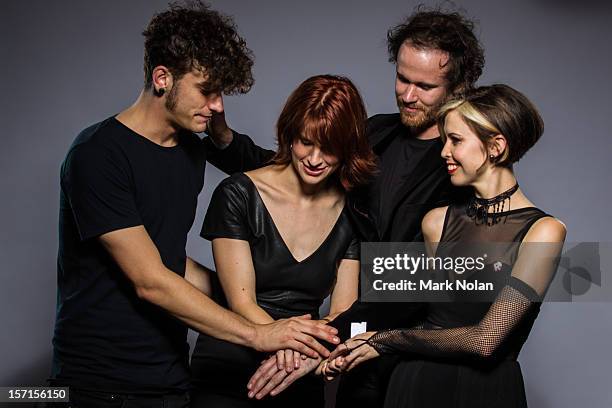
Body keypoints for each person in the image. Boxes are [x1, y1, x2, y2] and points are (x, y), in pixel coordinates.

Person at [49, 3, 339, 407]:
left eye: (221, 93)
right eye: (207, 90)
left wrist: (257, 298)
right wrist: (259, 332)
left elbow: (279, 172)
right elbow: (150, 280)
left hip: (170, 374)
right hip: (97, 381)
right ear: (163, 78)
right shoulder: (98, 154)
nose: (218, 104)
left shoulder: (188, 149)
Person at [230, 7, 486, 406]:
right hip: (351, 342)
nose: (407, 94)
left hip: (409, 346)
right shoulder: (375, 133)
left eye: (424, 86)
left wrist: (313, 346)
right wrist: (225, 142)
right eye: (402, 78)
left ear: (457, 87)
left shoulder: (461, 166)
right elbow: (297, 168)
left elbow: (421, 281)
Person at [323, 84, 567, 407]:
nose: (443, 152)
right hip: (413, 383)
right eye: (444, 141)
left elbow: (485, 340)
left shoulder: (543, 232)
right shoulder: (435, 223)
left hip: (483, 392)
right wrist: (341, 343)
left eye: (456, 140)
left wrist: (385, 340)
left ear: (495, 146)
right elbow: (406, 307)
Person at [189, 75, 377, 407]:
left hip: (301, 371)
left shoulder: (353, 213)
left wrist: (298, 351)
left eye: (329, 147)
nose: (315, 158)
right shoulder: (237, 193)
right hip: (230, 366)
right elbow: (242, 303)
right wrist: (290, 341)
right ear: (290, 135)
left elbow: (342, 313)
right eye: (306, 142)